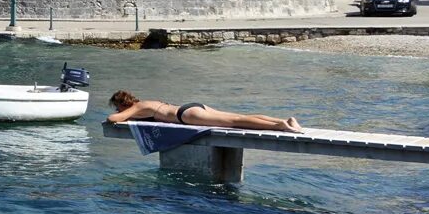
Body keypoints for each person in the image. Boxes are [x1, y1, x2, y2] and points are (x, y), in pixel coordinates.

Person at [105, 91, 304, 133]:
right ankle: (284, 120)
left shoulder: (136, 108)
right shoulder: (148, 101)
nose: (117, 110)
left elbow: (112, 119)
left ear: (123, 104)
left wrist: (124, 115)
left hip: (187, 116)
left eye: (117, 106)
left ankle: (279, 126)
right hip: (192, 106)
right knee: (238, 117)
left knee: (236, 123)